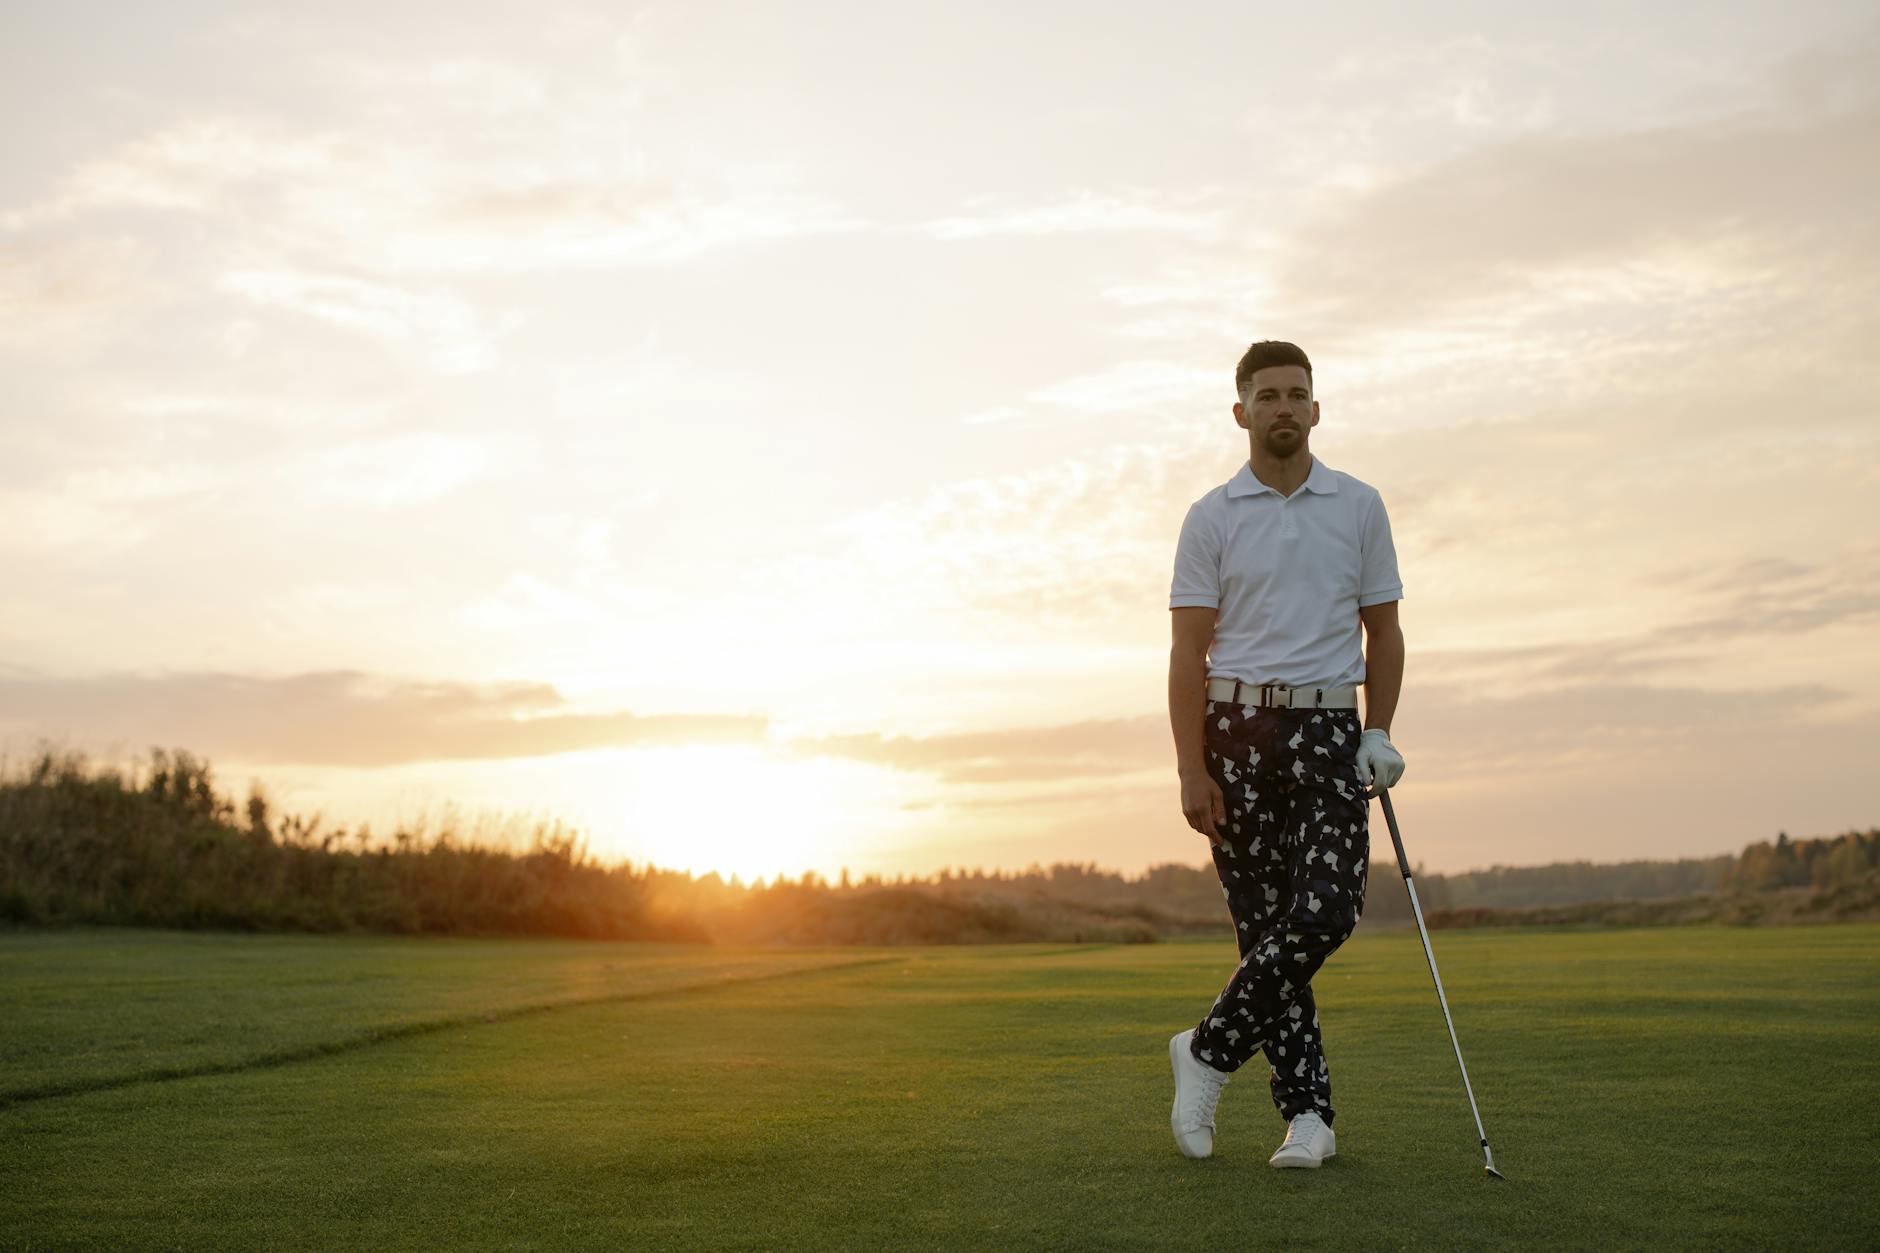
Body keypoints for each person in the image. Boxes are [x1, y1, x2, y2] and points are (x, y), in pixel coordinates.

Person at [1164, 339, 1405, 1170]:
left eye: (1296, 393)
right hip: (1235, 734)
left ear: (1316, 408)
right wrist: (1191, 767)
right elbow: (1186, 653)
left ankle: (1207, 1048)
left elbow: (1385, 631)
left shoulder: (1360, 505)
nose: (1283, 407)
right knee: (1265, 930)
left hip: (1330, 729)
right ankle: (1308, 1117)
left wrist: (1379, 729)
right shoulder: (1211, 516)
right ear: (1241, 412)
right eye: (1267, 395)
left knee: (1327, 911)